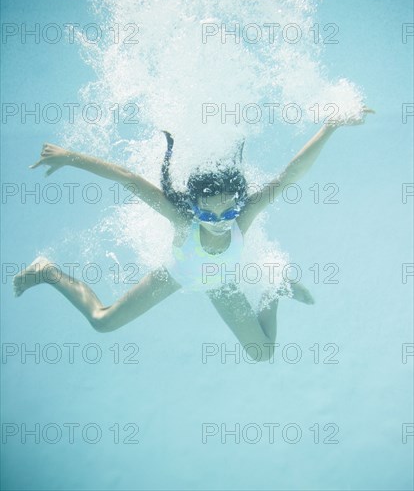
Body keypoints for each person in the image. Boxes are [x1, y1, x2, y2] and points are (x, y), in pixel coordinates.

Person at [13, 108, 374, 361]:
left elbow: (290, 175)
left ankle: (272, 290)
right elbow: (128, 178)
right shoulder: (182, 222)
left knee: (263, 353)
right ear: (193, 206)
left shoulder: (241, 220)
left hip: (221, 286)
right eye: (207, 213)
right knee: (102, 322)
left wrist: (330, 126)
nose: (219, 221)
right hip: (176, 275)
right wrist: (69, 156)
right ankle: (48, 271)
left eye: (228, 211)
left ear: (239, 203)